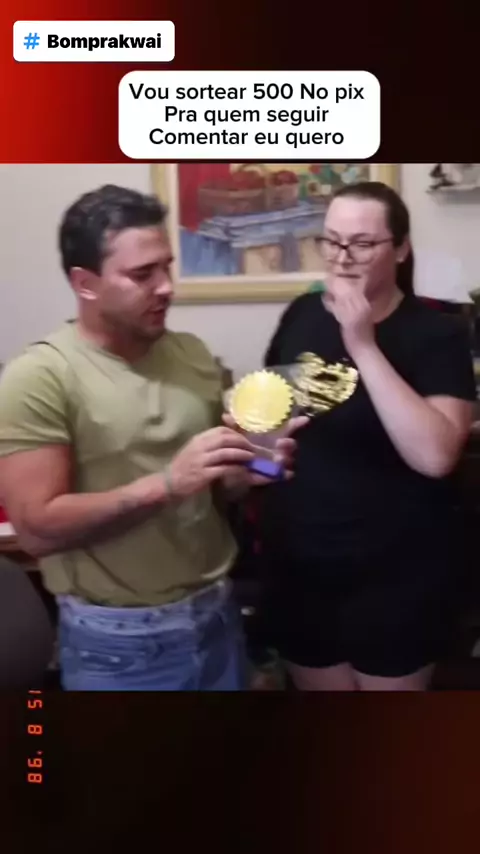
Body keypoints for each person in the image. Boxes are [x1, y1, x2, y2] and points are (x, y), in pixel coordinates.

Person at [0, 184, 304, 692]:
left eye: (167, 267)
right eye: (143, 275)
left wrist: (249, 471)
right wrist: (168, 483)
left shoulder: (192, 355)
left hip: (217, 618)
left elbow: (212, 490)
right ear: (85, 283)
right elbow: (36, 530)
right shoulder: (39, 377)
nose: (166, 287)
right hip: (119, 646)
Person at [257, 180, 476, 692]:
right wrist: (255, 461)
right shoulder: (302, 315)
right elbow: (272, 425)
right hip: (304, 566)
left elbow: (436, 456)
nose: (342, 257)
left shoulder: (437, 335)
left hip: (396, 575)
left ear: (399, 249)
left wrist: (362, 345)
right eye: (331, 241)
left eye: (361, 243)